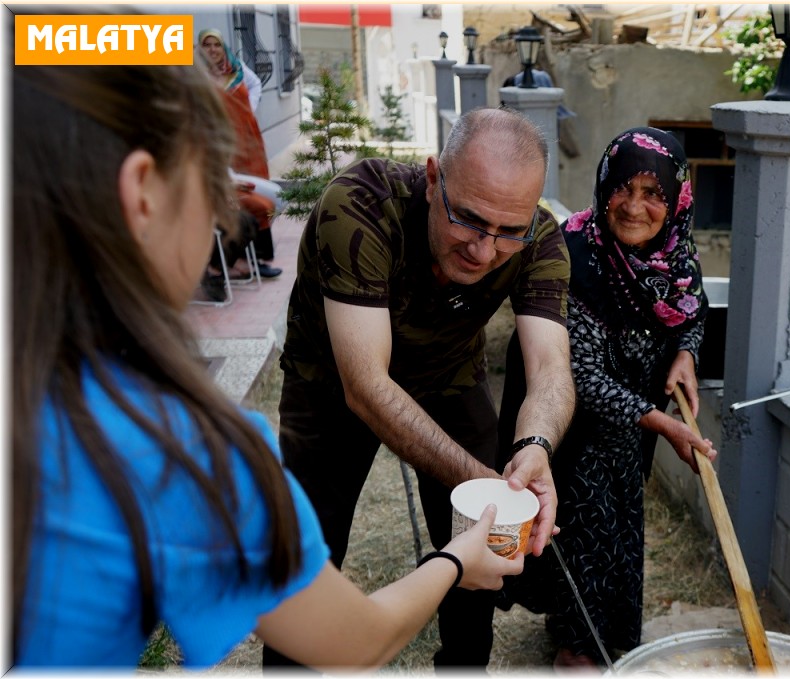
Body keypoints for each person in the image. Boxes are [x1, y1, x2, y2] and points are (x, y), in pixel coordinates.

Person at [10, 62, 523, 670]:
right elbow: (352, 640)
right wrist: (457, 561)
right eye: (215, 185)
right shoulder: (177, 452)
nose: (223, 220)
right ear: (143, 191)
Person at [266, 107, 576, 670]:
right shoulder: (360, 204)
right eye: (468, 220)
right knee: (308, 556)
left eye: (509, 231)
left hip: (448, 377)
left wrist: (536, 446)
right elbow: (366, 385)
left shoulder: (539, 237)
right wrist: (486, 483)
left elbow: (551, 367)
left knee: (480, 543)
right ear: (434, 179)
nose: (484, 251)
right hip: (329, 383)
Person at [496, 127, 717, 669]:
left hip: (627, 432)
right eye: (623, 187)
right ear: (603, 187)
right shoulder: (575, 258)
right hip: (569, 428)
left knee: (619, 529)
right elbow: (583, 378)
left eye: (653, 193)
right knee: (584, 530)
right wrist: (663, 424)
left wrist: (686, 353)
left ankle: (598, 632)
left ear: (677, 200)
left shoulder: (676, 261)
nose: (634, 207)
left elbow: (693, 313)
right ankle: (577, 649)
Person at [198, 28, 283, 287]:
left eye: (216, 44)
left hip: (247, 139)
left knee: (259, 192)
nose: (213, 49)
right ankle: (240, 259)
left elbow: (256, 84)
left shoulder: (236, 68)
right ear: (200, 49)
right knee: (246, 200)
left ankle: (261, 258)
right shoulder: (199, 77)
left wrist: (248, 110)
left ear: (223, 47)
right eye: (207, 45)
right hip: (223, 147)